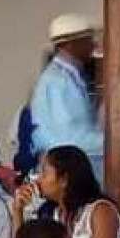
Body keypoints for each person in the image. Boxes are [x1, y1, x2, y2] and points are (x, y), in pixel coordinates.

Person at [16, 145, 120, 238]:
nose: (38, 180)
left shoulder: (101, 211)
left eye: (44, 174)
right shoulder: (52, 213)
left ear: (64, 179)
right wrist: (18, 211)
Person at [29, 13, 104, 177]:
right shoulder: (57, 81)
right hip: (67, 171)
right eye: (88, 40)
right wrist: (118, 143)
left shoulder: (69, 76)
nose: (94, 45)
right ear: (70, 44)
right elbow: (71, 136)